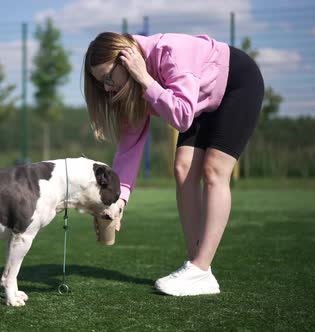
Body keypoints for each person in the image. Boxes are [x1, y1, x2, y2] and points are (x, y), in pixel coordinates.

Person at [83, 32, 264, 296]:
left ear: (126, 61)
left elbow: (181, 117)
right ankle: (197, 268)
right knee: (183, 168)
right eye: (101, 84)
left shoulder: (170, 53)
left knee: (213, 170)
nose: (107, 88)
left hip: (237, 83)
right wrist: (117, 202)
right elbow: (129, 148)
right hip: (201, 100)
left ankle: (200, 268)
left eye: (108, 78)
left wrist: (145, 79)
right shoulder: (127, 88)